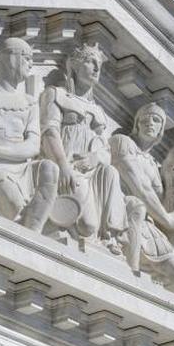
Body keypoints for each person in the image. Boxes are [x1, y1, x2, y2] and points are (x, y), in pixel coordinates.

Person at [39, 42, 124, 245]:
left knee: (112, 172)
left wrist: (95, 158)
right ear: (74, 65)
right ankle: (57, 224)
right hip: (68, 166)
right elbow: (49, 132)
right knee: (88, 226)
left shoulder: (99, 111)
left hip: (91, 171)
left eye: (99, 66)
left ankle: (111, 236)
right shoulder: (57, 94)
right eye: (90, 62)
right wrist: (63, 165)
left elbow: (105, 150)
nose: (96, 68)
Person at [110, 102, 174, 290]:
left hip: (148, 224)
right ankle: (131, 278)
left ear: (161, 129)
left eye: (156, 120)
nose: (150, 123)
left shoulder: (153, 164)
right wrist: (168, 220)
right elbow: (140, 187)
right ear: (137, 124)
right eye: (145, 118)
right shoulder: (122, 142)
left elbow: (159, 198)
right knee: (137, 205)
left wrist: (170, 164)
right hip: (123, 212)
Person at [0, 38, 59, 231]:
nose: (31, 63)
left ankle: (34, 234)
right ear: (9, 58)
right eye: (26, 57)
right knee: (14, 206)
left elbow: (33, 146)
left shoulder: (30, 102)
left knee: (50, 168)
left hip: (21, 167)